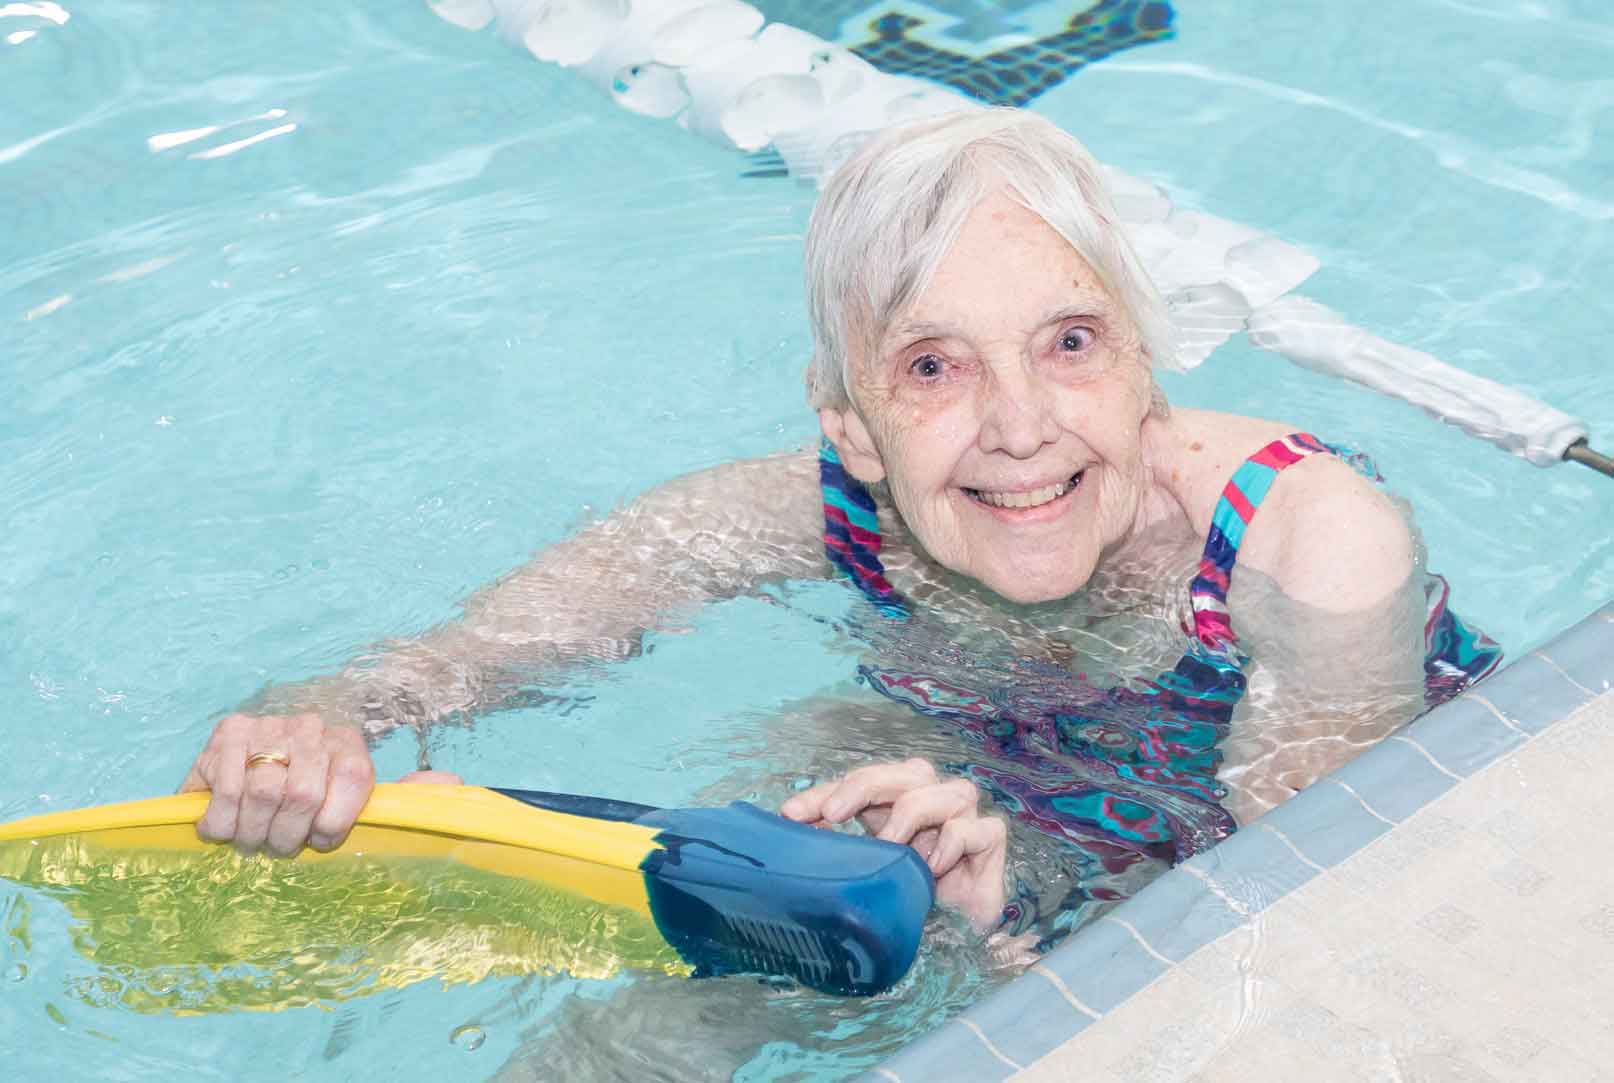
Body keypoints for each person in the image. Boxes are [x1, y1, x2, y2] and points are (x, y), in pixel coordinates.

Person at [179, 108, 1498, 935]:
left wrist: (1017, 911)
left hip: (1260, 816)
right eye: (933, 366)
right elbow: (454, 663)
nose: (1020, 424)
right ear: (850, 423)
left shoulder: (1311, 544)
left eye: (1072, 342)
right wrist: (321, 723)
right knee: (743, 878)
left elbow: (1293, 925)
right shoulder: (811, 507)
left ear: (1147, 364)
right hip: (993, 783)